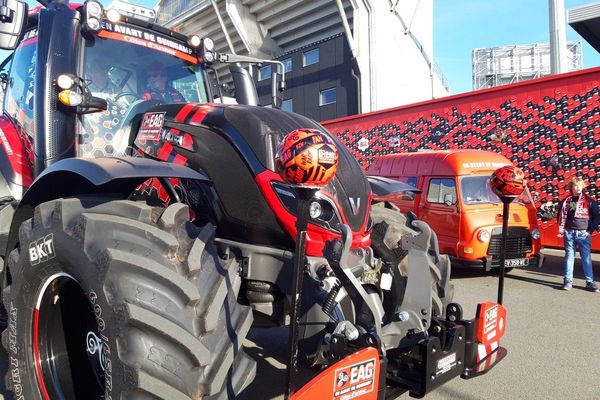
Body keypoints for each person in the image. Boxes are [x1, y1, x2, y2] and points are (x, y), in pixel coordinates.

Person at [557, 177, 600, 291]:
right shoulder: (566, 200)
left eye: (580, 185)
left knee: (586, 258)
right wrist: (564, 229)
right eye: (576, 185)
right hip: (569, 232)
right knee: (569, 257)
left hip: (583, 233)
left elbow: (597, 217)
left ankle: (590, 282)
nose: (578, 188)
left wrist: (589, 231)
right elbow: (560, 215)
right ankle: (567, 281)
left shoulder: (589, 201)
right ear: (571, 187)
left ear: (583, 187)